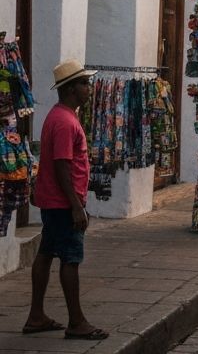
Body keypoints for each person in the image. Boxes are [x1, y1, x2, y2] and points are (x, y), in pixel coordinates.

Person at [23, 60, 108, 341]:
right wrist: (76, 205)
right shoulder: (63, 121)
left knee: (47, 253)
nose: (89, 88)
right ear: (71, 88)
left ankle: (36, 316)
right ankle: (77, 322)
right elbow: (62, 164)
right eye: (84, 83)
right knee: (71, 259)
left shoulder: (62, 116)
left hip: (55, 201)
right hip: (61, 204)